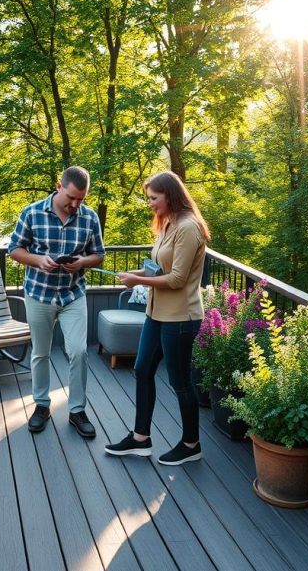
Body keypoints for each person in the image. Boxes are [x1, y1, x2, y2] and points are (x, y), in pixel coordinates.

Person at [104, 171, 210, 465]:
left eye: (153, 197)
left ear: (170, 195)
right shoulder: (168, 223)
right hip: (156, 313)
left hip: (180, 317)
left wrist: (137, 283)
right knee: (142, 369)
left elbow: (176, 279)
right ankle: (141, 438)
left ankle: (191, 444)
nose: (149, 203)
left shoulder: (188, 228)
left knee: (179, 381)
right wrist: (134, 275)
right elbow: (158, 270)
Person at [7, 166, 106, 438]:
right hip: (39, 294)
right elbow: (14, 249)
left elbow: (99, 254)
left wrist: (83, 262)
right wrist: (38, 260)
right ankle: (41, 405)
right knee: (40, 352)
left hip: (73, 294)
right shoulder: (32, 212)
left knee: (79, 351)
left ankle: (77, 410)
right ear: (58, 185)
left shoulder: (89, 218)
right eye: (71, 198)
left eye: (81, 200)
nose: (75, 204)